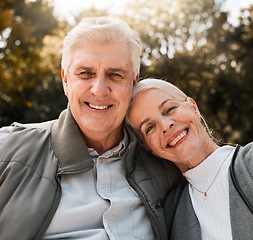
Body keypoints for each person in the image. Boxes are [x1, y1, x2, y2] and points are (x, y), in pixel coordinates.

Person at [0, 18, 180, 240]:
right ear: (66, 81)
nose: (99, 90)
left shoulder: (166, 160)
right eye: (86, 73)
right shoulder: (7, 148)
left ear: (133, 84)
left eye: (115, 75)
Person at [126, 78, 253, 240]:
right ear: (149, 149)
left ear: (194, 108)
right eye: (150, 128)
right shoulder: (169, 215)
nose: (166, 126)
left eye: (170, 109)